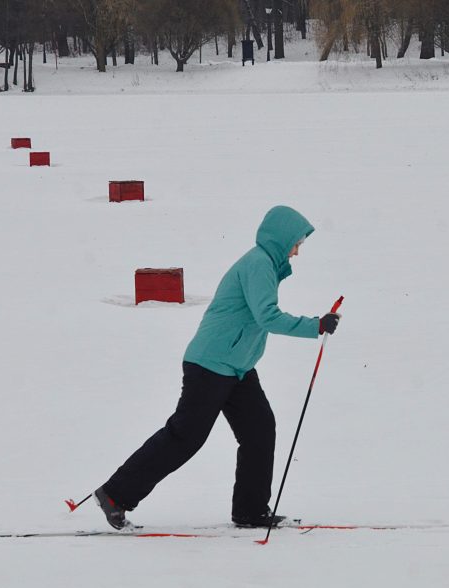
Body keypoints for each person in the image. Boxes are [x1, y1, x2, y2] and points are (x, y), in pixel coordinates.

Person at [95, 206, 341, 530]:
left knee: (259, 431)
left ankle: (250, 511)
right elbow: (267, 315)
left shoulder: (264, 265)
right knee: (185, 437)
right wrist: (315, 326)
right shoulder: (259, 265)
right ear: (282, 239)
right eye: (296, 242)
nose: (298, 250)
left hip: (236, 368)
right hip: (211, 364)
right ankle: (115, 494)